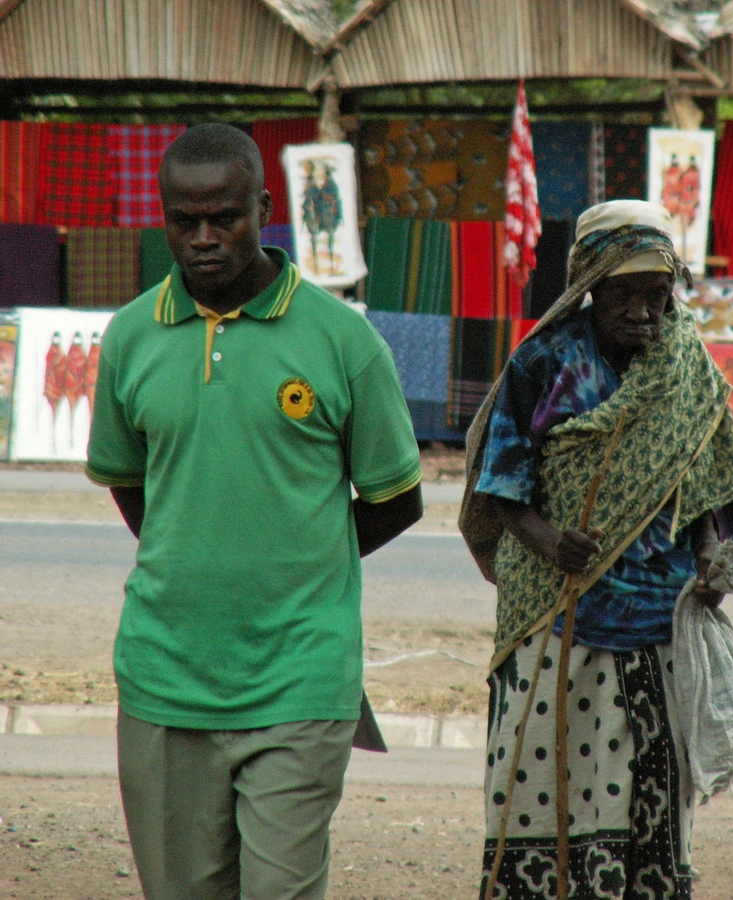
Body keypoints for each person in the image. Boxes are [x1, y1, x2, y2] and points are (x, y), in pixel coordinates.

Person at [85, 122, 423, 900]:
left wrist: (302, 557)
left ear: (264, 208)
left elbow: (396, 497)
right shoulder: (131, 337)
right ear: (163, 216)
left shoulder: (344, 341)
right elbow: (131, 482)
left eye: (225, 218)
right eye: (184, 220)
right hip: (164, 674)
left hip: (301, 677)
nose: (204, 239)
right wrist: (195, 547)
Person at [460, 200, 733, 899]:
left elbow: (717, 487)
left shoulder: (688, 371)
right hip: (555, 620)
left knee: (647, 808)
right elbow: (502, 484)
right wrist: (551, 542)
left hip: (658, 631)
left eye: (656, 297)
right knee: (544, 790)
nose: (642, 314)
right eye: (623, 294)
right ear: (588, 287)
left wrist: (716, 557)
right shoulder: (541, 362)